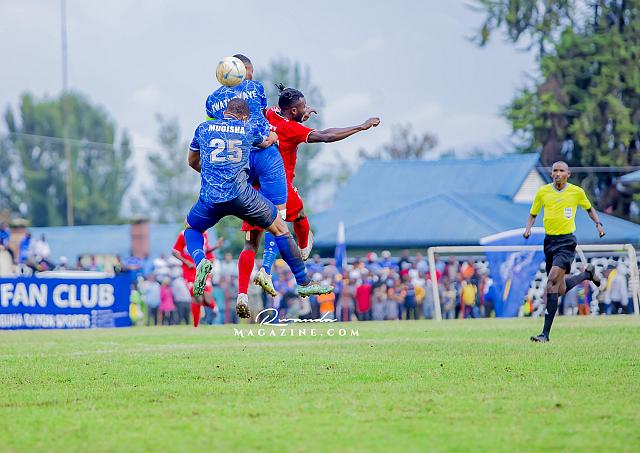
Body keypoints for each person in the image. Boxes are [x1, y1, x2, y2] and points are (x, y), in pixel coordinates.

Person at [183, 98, 333, 319]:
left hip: (210, 197)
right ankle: (303, 282)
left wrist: (212, 175)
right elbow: (266, 142)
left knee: (192, 228)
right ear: (244, 116)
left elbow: (192, 161)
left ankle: (200, 261)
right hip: (242, 196)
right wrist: (273, 137)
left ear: (225, 112)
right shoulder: (248, 128)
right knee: (280, 228)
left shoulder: (203, 128)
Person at [240, 83, 380, 300]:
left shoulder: (270, 113)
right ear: (293, 110)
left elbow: (276, 118)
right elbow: (326, 135)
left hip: (254, 185)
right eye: (303, 107)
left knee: (251, 241)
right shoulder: (292, 129)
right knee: (289, 219)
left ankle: (242, 294)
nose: (306, 109)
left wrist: (299, 116)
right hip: (280, 183)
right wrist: (361, 126)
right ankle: (281, 262)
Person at [523, 161, 605, 342]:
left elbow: (589, 209)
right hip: (549, 243)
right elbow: (533, 213)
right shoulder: (543, 192)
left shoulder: (576, 192)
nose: (558, 173)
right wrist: (528, 229)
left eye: (562, 170)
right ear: (551, 174)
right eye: (555, 170)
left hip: (566, 243)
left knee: (551, 282)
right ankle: (587, 274)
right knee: (559, 289)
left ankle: (545, 334)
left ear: (568, 174)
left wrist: (598, 224)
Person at [172, 228, 221, 328]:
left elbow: (206, 251)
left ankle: (214, 307)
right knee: (196, 297)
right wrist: (186, 262)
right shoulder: (183, 234)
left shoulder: (204, 233)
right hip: (189, 272)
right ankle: (196, 325)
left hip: (202, 271)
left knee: (206, 297)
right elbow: (175, 251)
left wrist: (215, 247)